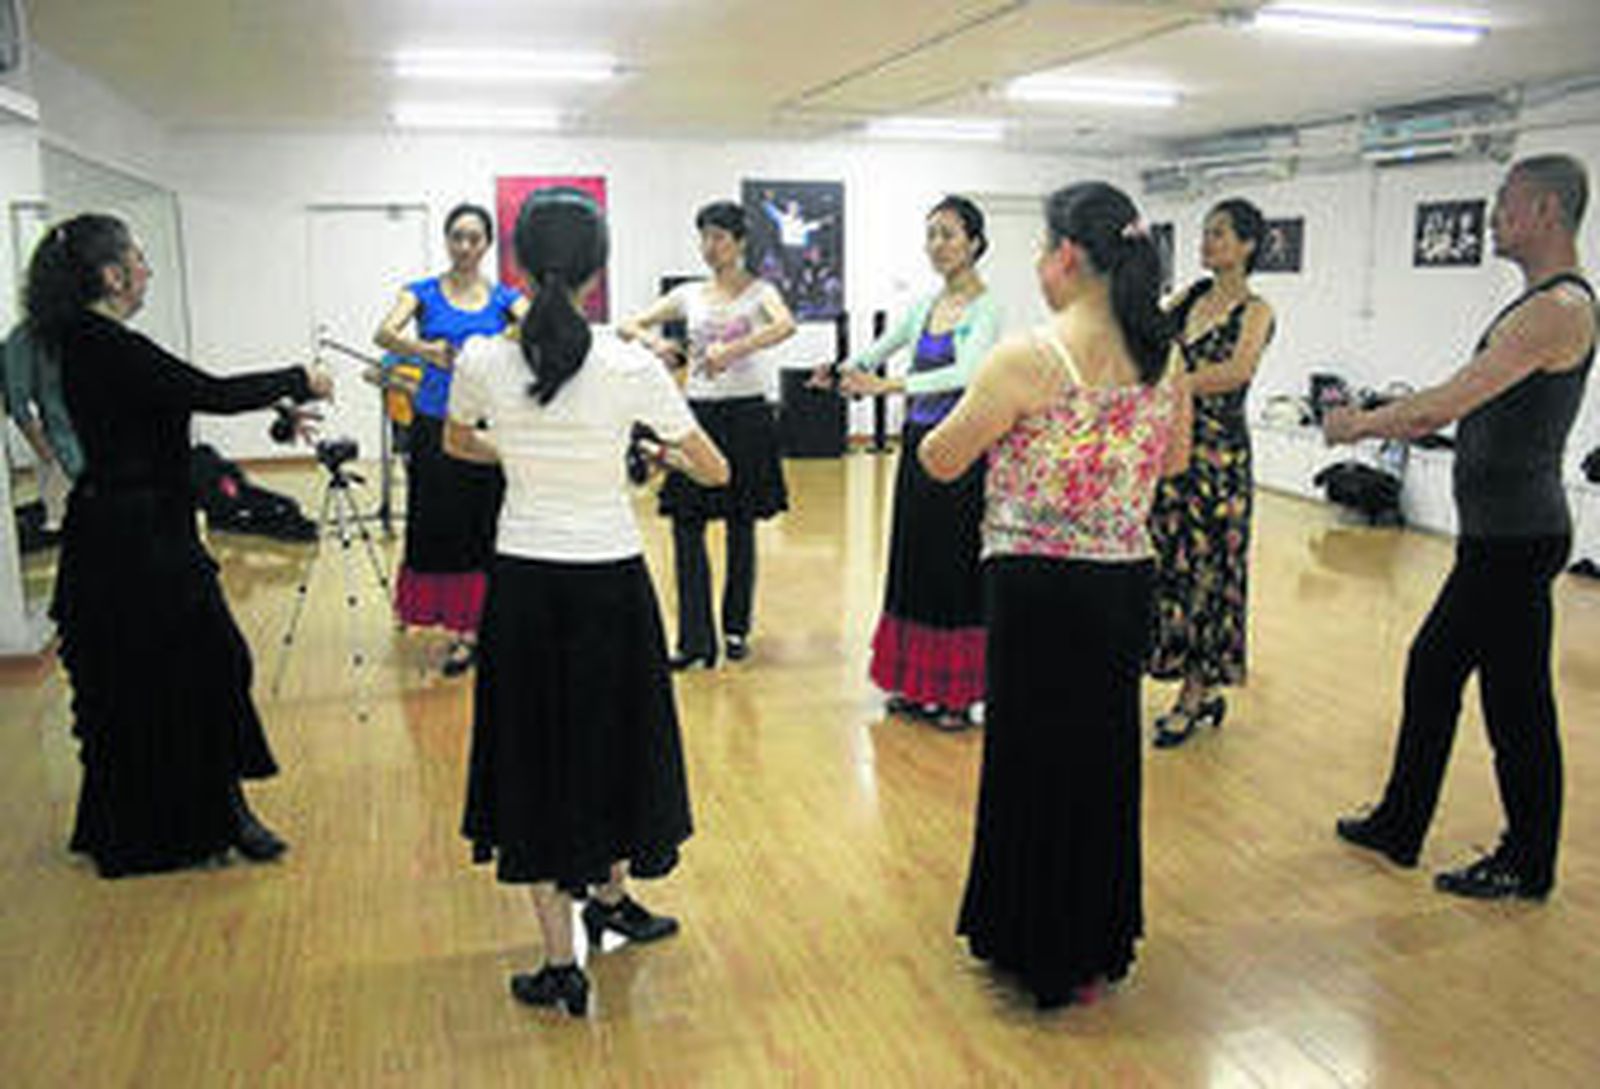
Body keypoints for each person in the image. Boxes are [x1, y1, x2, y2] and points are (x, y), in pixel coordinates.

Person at [447, 187, 728, 1015]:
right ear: (598, 271)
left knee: (535, 753)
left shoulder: (483, 360)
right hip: (610, 584)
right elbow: (715, 468)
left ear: (520, 265)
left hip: (525, 585)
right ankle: (608, 901)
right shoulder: (631, 363)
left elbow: (458, 440)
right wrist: (639, 453)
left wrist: (527, 452)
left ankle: (564, 954)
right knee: (609, 738)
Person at [920, 182, 1191, 1008]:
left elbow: (941, 457)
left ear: (1069, 256)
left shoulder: (1028, 357)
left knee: (1031, 757)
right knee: (1102, 758)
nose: (1039, 265)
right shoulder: (1164, 352)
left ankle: (1032, 938)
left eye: (1042, 249)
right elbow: (1173, 462)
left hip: (1036, 584)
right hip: (1121, 578)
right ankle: (1095, 934)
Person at [26, 213, 331, 878]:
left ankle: (212, 813)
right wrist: (300, 378)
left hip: (135, 528)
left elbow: (161, 418)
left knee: (185, 673)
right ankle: (195, 821)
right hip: (134, 543)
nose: (146, 269)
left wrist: (276, 408)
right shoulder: (103, 343)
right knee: (199, 666)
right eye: (137, 258)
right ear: (111, 275)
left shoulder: (90, 341)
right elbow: (209, 393)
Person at [1329, 155, 1596, 901]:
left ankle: (1457, 838)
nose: (1491, 215)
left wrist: (1356, 424)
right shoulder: (1541, 304)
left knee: (1456, 674)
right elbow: (1467, 406)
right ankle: (1451, 835)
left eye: (1504, 202)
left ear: (1545, 210)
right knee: (1501, 691)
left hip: (1515, 537)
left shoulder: (1559, 309)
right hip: (1508, 534)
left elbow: (1438, 405)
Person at [820, 196, 1002, 730]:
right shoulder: (925, 304)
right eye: (931, 236)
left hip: (962, 448)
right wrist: (839, 370)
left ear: (974, 242)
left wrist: (887, 385)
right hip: (918, 447)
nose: (937, 246)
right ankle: (916, 684)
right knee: (914, 558)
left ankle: (956, 693)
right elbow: (879, 348)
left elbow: (966, 373)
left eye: (948, 234)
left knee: (953, 564)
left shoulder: (986, 308)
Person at [619, 201, 796, 669]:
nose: (709, 246)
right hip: (696, 416)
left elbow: (785, 325)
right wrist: (657, 343)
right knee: (686, 525)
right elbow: (628, 324)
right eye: (704, 237)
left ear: (739, 242)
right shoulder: (688, 294)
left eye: (719, 237)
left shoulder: (760, 292)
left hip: (747, 417)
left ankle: (735, 628)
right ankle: (695, 640)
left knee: (741, 527)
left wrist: (734, 348)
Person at [374, 203, 527, 676]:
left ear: (486, 245)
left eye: (474, 238)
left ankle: (479, 628)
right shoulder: (420, 293)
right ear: (447, 241)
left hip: (485, 428)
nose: (464, 246)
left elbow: (538, 330)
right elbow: (383, 333)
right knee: (443, 524)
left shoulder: (504, 297)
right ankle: (458, 625)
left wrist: (508, 344)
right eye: (457, 237)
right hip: (435, 426)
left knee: (489, 524)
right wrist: (425, 351)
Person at [1146, 198, 1275, 748]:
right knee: (1165, 562)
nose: (1208, 242)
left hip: (1219, 460)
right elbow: (1145, 335)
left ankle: (1196, 693)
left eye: (1220, 233)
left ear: (1247, 244)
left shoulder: (1256, 309)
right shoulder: (1190, 297)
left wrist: (1174, 385)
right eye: (1206, 232)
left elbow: (1237, 371)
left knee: (1208, 573)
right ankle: (1176, 671)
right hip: (1169, 448)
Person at [3, 318, 82, 531]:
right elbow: (19, 407)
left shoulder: (81, 329)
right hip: (65, 460)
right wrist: (49, 458)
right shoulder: (24, 338)